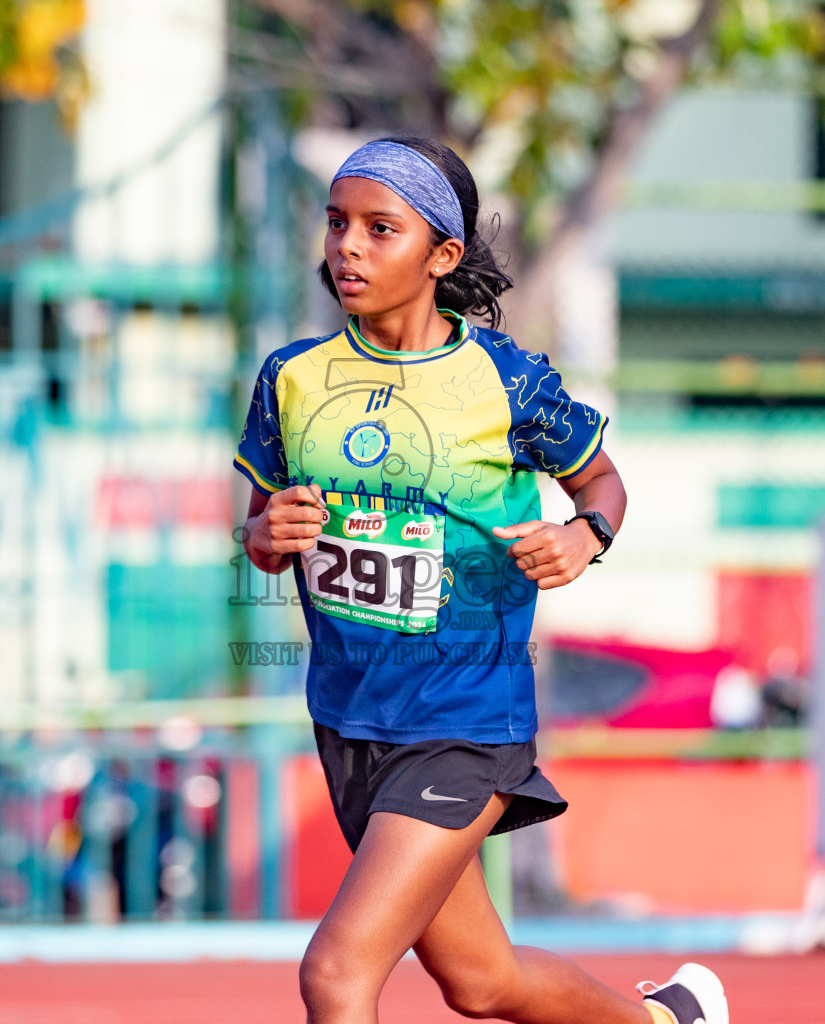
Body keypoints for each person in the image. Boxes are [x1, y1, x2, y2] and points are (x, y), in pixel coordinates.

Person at [234, 136, 728, 1024]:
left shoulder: (507, 381)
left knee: (337, 973)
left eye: (380, 230)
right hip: (349, 718)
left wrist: (587, 537)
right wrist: (268, 533)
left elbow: (601, 481)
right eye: (337, 223)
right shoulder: (291, 380)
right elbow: (263, 535)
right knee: (481, 982)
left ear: (443, 257)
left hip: (465, 719)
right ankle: (672, 1021)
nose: (346, 246)